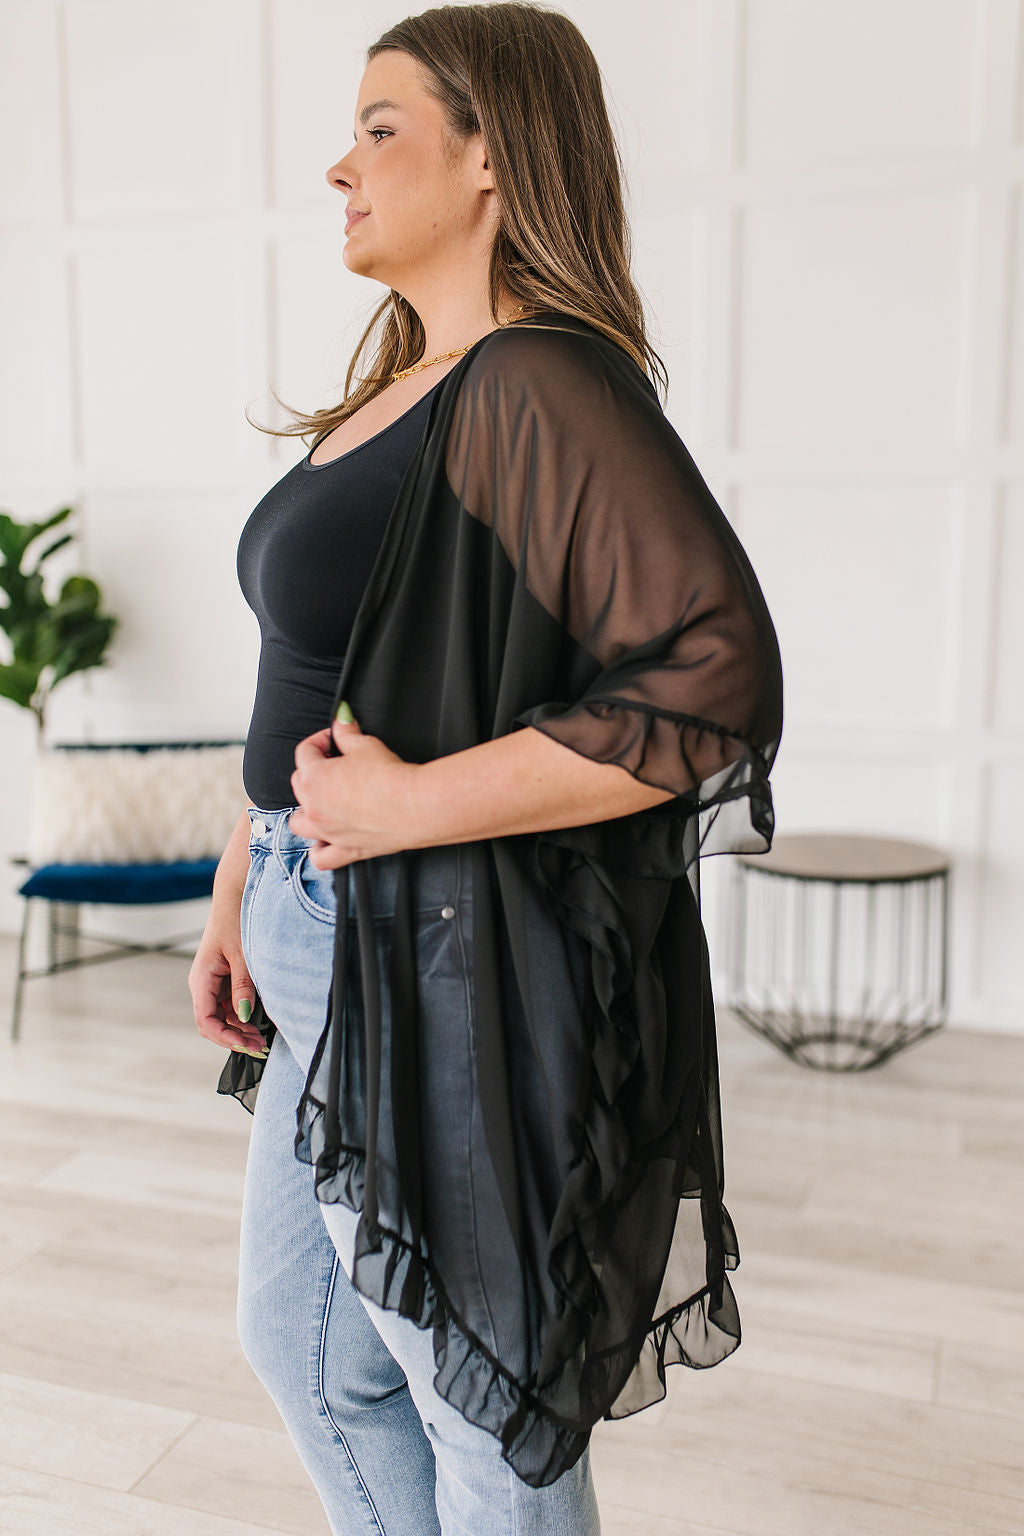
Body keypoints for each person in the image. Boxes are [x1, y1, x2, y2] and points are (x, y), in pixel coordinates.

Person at [188, 5, 783, 1535]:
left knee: (479, 1401)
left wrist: (400, 807)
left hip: (429, 938)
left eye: (379, 128)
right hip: (318, 916)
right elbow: (318, 667)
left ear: (493, 156)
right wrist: (244, 870)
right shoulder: (413, 380)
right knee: (307, 1345)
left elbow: (713, 677)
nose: (340, 165)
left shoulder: (537, 380)